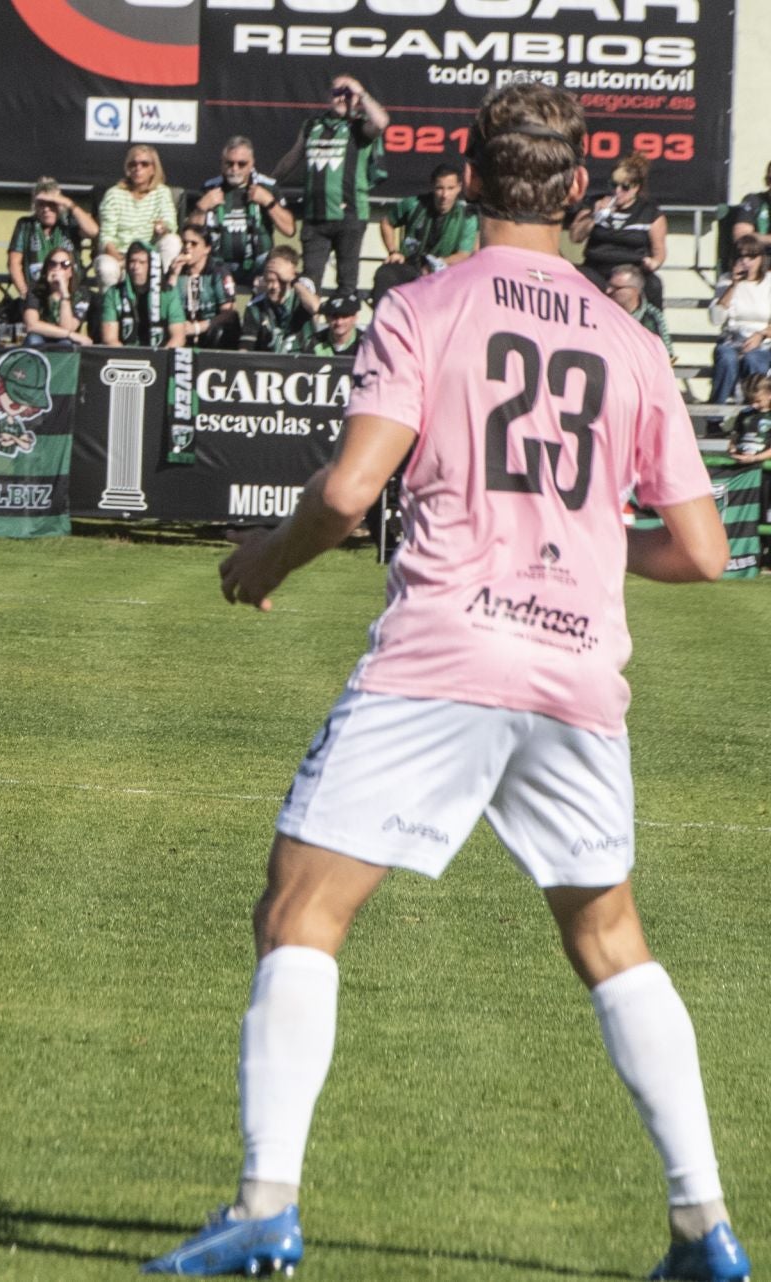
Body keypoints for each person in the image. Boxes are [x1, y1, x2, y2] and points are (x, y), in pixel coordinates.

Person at [149, 83, 751, 1282]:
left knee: (302, 909)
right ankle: (705, 1226)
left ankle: (267, 1203)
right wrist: (585, 539)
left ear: (467, 181)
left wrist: (259, 562)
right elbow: (703, 548)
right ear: (577, 193)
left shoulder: (424, 305)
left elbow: (345, 491)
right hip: (578, 669)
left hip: (447, 647)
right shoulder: (632, 341)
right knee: (611, 934)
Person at [272, 74, 387, 293]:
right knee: (308, 282)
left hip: (350, 216)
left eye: (347, 94)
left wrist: (361, 92)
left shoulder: (359, 127)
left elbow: (381, 122)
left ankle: (343, 326)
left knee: (346, 282)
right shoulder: (312, 125)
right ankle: (306, 327)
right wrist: (270, 182)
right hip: (315, 217)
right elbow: (292, 157)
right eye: (337, 93)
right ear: (328, 96)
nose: (342, 98)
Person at [570, 151, 666, 306]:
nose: (618, 191)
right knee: (577, 278)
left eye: (625, 187)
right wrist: (595, 216)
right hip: (597, 267)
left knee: (653, 285)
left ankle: (651, 327)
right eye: (614, 185)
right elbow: (575, 237)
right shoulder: (595, 204)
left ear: (636, 188)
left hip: (631, 269)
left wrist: (654, 262)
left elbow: (659, 251)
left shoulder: (649, 213)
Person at [193, 137, 292, 287]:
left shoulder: (268, 186)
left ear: (252, 163)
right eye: (229, 163)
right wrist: (201, 208)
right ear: (222, 163)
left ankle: (268, 310)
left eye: (242, 164)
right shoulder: (210, 188)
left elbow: (289, 229)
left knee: (280, 265)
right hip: (220, 263)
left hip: (259, 263)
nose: (235, 169)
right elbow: (191, 233)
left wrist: (269, 202)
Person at [371, 162, 478, 302]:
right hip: (411, 266)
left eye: (450, 188)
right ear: (433, 186)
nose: (445, 195)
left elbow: (464, 254)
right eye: (440, 188)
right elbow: (386, 223)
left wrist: (437, 264)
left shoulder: (467, 216)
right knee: (385, 274)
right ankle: (382, 320)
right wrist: (393, 251)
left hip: (445, 272)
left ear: (459, 188)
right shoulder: (414, 204)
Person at [704, 235, 770, 402]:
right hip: (731, 339)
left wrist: (761, 335)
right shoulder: (726, 280)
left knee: (753, 360)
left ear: (761, 259)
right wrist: (733, 286)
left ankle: (752, 414)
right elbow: (716, 319)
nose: (746, 262)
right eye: (741, 256)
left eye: (751, 257)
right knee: (726, 358)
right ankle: (716, 415)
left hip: (761, 340)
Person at [8, 177, 98, 298]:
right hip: (36, 294)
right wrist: (25, 294)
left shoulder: (69, 222)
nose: (46, 209)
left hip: (72, 294)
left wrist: (68, 203)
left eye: (51, 204)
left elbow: (93, 231)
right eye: (41, 204)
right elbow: (14, 263)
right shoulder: (25, 225)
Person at [99, 145, 183, 270]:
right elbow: (106, 236)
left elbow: (170, 224)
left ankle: (162, 286)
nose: (138, 168)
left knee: (172, 241)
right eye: (133, 164)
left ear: (153, 169)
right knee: (106, 268)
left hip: (150, 255)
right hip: (120, 254)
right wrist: (121, 260)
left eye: (144, 164)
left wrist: (163, 228)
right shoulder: (114, 194)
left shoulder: (162, 192)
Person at [165, 223, 239, 348]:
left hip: (209, 333)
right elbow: (165, 306)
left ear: (207, 248)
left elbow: (229, 313)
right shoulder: (176, 271)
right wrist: (173, 276)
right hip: (180, 331)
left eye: (193, 244)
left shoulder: (217, 271)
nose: (187, 248)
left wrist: (197, 327)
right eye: (184, 243)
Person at [99, 242, 185, 349]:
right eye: (132, 261)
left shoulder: (169, 293)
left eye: (142, 262)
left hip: (160, 355)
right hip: (124, 356)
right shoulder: (114, 293)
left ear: (153, 266)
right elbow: (110, 339)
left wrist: (161, 358)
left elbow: (178, 337)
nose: (135, 267)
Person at [240, 246, 319, 353]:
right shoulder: (255, 307)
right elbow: (245, 349)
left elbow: (315, 308)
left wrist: (293, 279)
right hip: (268, 365)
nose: (274, 286)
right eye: (270, 280)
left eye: (281, 281)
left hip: (303, 363)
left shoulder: (302, 297)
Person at [22, 248, 93, 346]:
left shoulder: (82, 295)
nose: (58, 268)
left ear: (71, 271)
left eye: (65, 264)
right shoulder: (36, 291)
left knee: (65, 343)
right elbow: (31, 325)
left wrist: (64, 292)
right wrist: (70, 334)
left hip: (64, 339)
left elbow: (68, 327)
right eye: (52, 264)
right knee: (33, 340)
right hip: (40, 336)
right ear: (47, 269)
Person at [608, 263, 675, 358]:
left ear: (634, 290)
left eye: (616, 288)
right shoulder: (603, 313)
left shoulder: (652, 317)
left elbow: (667, 355)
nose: (608, 291)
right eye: (609, 285)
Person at [292, 290, 361, 356]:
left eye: (345, 316)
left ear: (355, 317)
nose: (339, 322)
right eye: (334, 316)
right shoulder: (315, 342)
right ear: (326, 318)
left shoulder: (364, 342)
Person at [726, 373, 771, 464]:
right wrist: (732, 448)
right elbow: (735, 436)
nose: (754, 405)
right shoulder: (745, 413)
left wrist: (755, 458)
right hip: (743, 462)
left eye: (758, 401)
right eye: (750, 401)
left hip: (764, 467)